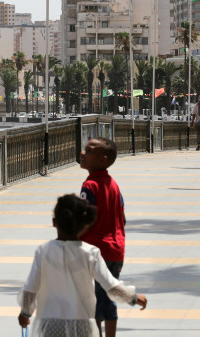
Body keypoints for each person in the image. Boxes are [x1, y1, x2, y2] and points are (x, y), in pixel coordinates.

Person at [17, 194, 147, 337]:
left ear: (54, 222)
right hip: (82, 327)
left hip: (50, 326)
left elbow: (30, 289)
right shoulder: (90, 253)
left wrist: (25, 313)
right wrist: (133, 298)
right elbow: (111, 286)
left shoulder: (43, 251)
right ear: (85, 225)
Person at [79, 137, 127, 337]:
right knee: (108, 298)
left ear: (102, 160)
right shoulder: (114, 185)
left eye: (88, 151)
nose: (82, 153)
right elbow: (122, 217)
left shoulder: (89, 186)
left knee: (93, 301)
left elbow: (85, 217)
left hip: (96, 251)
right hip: (116, 250)